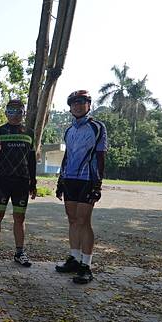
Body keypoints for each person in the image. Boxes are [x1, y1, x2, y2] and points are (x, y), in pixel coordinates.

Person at [55, 90, 108, 284]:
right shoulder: (69, 130)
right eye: (74, 103)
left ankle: (86, 265)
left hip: (87, 179)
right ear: (69, 107)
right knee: (72, 220)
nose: (78, 105)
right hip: (70, 178)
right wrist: (60, 180)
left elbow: (101, 156)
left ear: (88, 105)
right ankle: (74, 259)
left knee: (84, 221)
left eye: (82, 102)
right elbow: (67, 155)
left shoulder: (97, 127)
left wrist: (98, 183)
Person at [0, 99, 37, 267]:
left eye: (19, 112)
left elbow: (32, 160)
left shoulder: (29, 133)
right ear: (6, 113)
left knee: (19, 218)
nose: (15, 115)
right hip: (2, 181)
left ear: (24, 113)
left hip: (21, 181)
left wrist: (33, 182)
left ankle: (19, 252)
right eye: (11, 112)